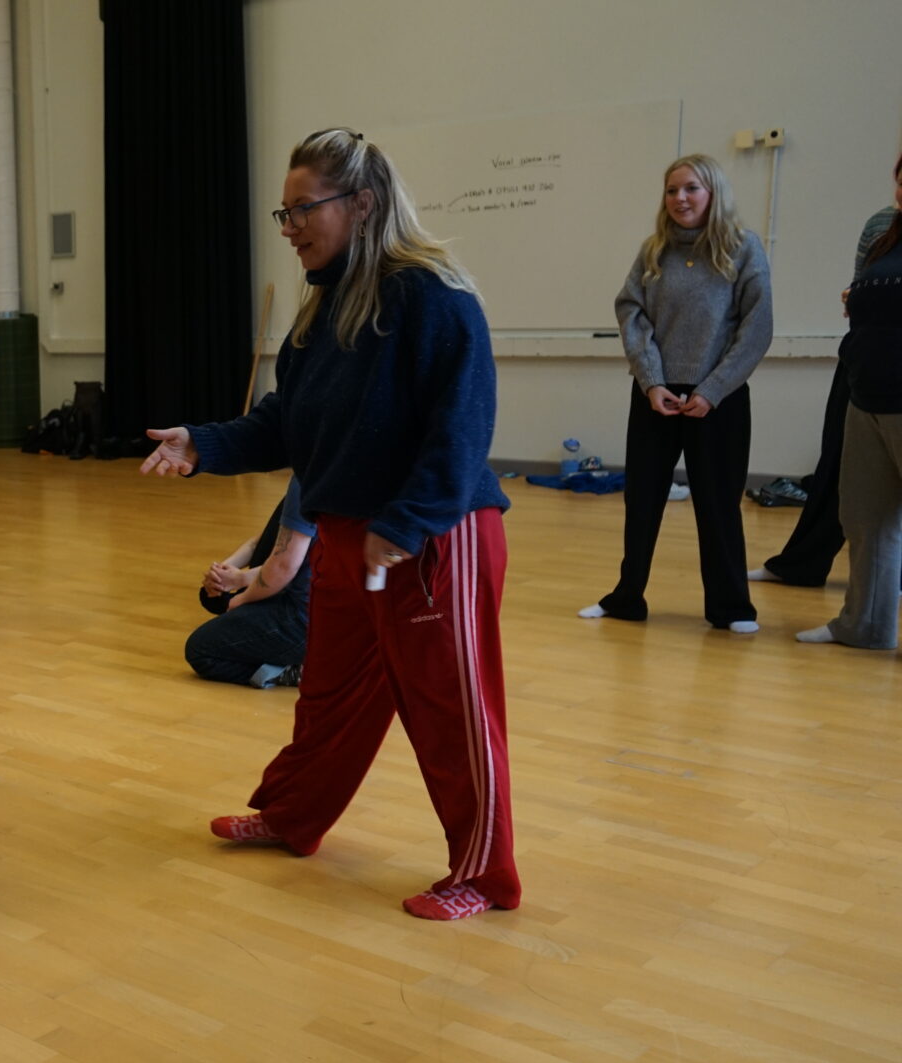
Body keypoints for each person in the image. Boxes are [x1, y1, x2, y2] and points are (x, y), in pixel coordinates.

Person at [141, 127, 519, 921]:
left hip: (432, 539)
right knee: (329, 695)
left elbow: (463, 426)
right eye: (284, 213)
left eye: (303, 209)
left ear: (363, 203)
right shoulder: (323, 314)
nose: (290, 228)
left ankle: (485, 875)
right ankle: (294, 815)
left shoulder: (432, 297)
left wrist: (408, 524)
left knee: (451, 713)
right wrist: (200, 444)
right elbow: (285, 425)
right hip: (350, 539)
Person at [579, 154, 772, 632]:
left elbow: (756, 327)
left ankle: (731, 608)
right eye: (672, 190)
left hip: (719, 399)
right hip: (656, 396)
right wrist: (651, 381)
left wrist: (713, 389)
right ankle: (626, 597)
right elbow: (631, 313)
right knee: (642, 500)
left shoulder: (743, 247)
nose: (680, 199)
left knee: (718, 504)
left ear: (713, 193)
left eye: (691, 189)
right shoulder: (654, 251)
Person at [754, 178, 901, 586]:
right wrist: (854, 296)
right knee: (839, 465)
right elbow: (859, 289)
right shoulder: (881, 225)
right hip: (864, 358)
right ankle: (802, 564)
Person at [798, 151, 902, 651]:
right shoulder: (886, 234)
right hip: (866, 396)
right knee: (865, 519)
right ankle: (864, 627)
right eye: (901, 180)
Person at [187, 478, 316, 689]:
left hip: (302, 611)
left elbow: (286, 566)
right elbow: (259, 541)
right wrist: (223, 571)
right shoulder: (303, 479)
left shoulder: (309, 484)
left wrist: (239, 589)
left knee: (199, 650)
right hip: (280, 586)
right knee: (212, 597)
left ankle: (295, 670)